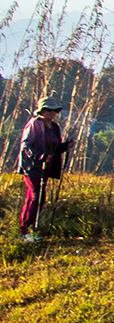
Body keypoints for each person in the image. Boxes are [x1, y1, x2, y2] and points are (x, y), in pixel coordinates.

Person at [17, 96, 68, 243]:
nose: (52, 113)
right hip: (32, 166)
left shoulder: (54, 127)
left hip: (47, 167)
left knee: (33, 196)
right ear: (41, 111)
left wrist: (66, 146)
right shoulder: (33, 124)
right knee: (37, 196)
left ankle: (26, 230)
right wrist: (40, 156)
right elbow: (26, 145)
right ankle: (26, 231)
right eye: (48, 110)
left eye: (54, 111)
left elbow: (55, 148)